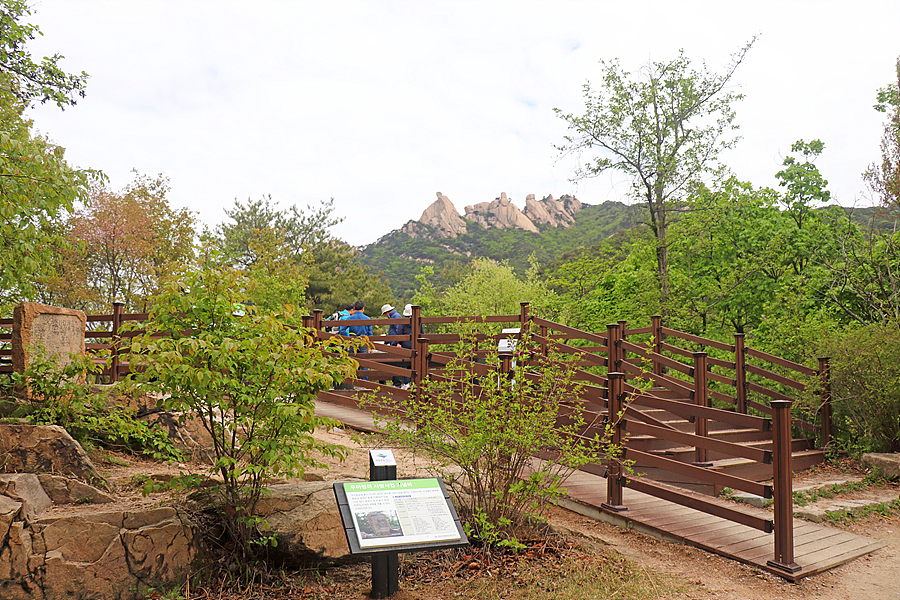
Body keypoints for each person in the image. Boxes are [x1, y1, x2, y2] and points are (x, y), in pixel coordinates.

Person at [395, 304, 423, 388]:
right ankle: (416, 383)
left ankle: (407, 383)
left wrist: (398, 342)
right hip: (416, 346)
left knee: (405, 364)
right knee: (416, 364)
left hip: (405, 345)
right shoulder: (418, 322)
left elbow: (399, 333)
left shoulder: (403, 322)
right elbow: (422, 333)